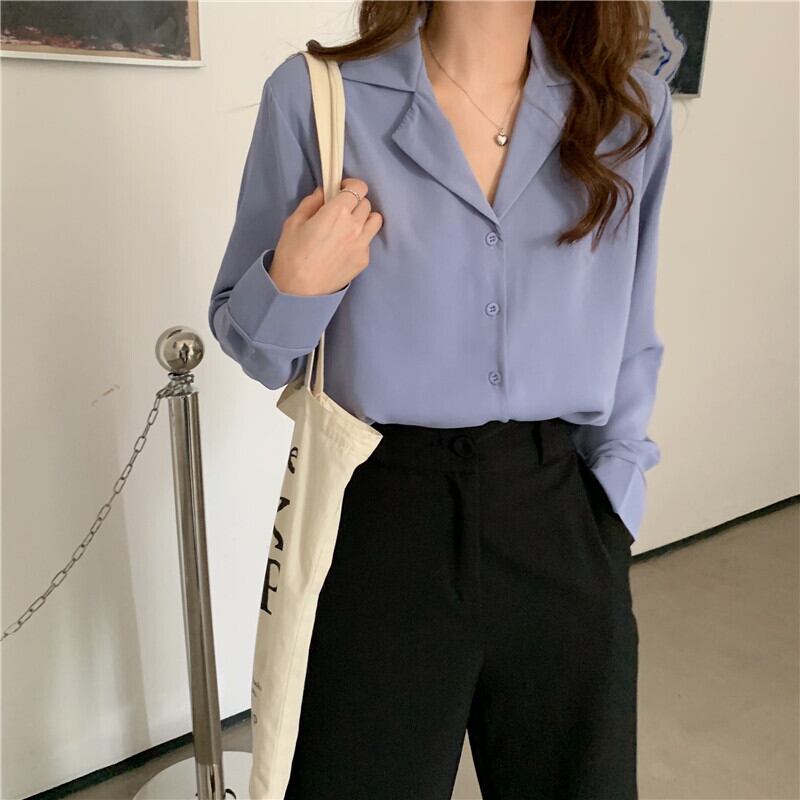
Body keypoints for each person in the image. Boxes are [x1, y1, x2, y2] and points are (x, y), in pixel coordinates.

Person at [207, 1, 673, 797]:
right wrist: (297, 281)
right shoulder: (320, 98)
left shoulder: (628, 111)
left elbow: (633, 328)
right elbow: (256, 348)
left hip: (562, 519)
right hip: (383, 519)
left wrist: (613, 509)